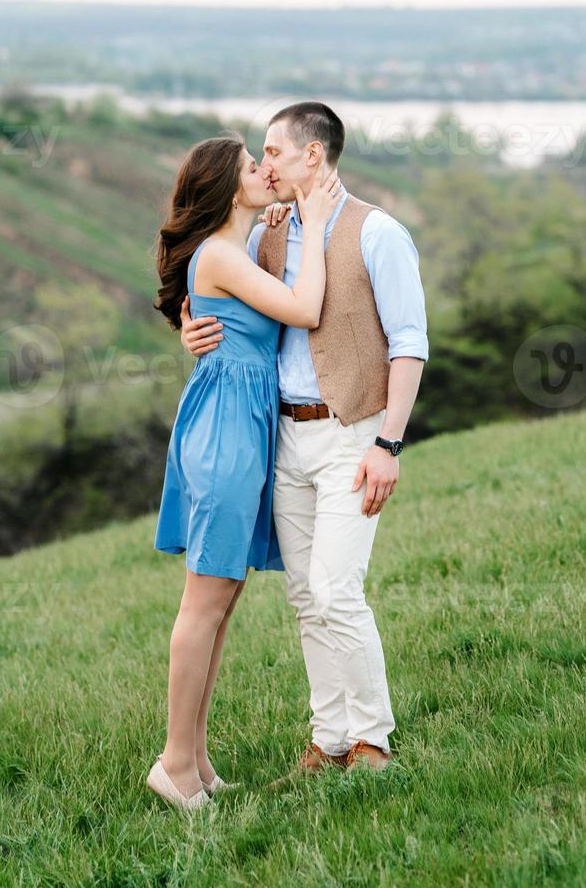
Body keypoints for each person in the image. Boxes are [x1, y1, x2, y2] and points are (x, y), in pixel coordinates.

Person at [179, 102, 427, 778]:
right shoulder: (267, 234)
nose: (265, 166)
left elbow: (409, 345)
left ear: (312, 156)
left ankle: (373, 740)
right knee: (304, 599)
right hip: (283, 439)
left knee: (336, 589)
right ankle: (330, 741)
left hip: (354, 435)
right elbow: (227, 298)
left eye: (275, 153)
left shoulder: (377, 232)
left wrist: (390, 445)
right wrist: (191, 324)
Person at [148, 133, 343, 810]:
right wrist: (314, 226)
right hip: (226, 433)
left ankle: (196, 760)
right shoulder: (220, 257)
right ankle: (173, 763)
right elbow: (306, 310)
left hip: (240, 424)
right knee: (204, 604)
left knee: (222, 602)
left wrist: (285, 225)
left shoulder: (236, 247)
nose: (267, 171)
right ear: (231, 187)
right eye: (253, 166)